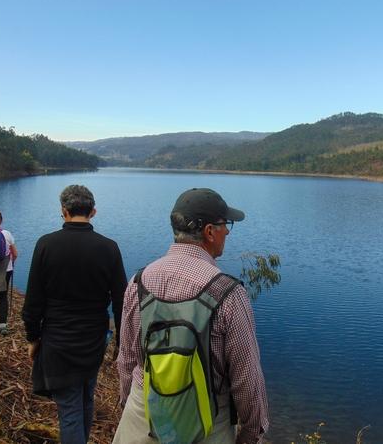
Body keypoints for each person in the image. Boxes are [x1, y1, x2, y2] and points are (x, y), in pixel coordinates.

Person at [114, 188, 269, 444]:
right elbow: (246, 379)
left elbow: (127, 360)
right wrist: (252, 434)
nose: (228, 231)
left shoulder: (138, 282)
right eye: (225, 224)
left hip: (144, 415)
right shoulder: (229, 293)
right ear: (209, 232)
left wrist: (130, 405)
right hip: (208, 425)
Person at [22, 184, 127, 444]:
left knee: (69, 410)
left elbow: (34, 300)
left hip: (57, 339)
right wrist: (121, 341)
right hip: (94, 339)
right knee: (85, 399)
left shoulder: (46, 244)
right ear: (93, 212)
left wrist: (32, 338)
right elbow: (121, 301)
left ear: (64, 211)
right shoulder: (109, 247)